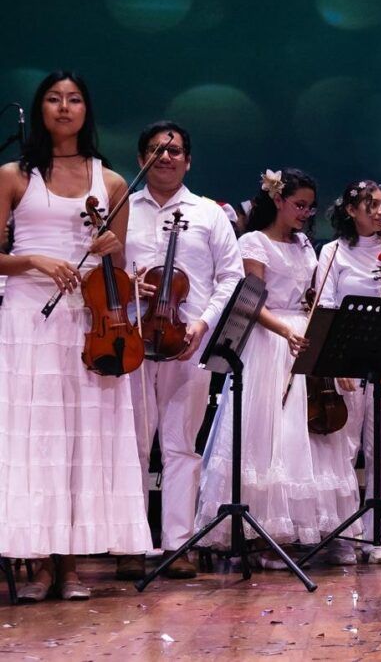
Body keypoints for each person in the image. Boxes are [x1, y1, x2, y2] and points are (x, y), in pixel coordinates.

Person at [0, 71, 151, 601]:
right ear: (41, 108)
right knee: (37, 437)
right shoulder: (13, 176)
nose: (64, 107)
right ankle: (38, 565)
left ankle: (70, 566)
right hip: (28, 318)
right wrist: (33, 260)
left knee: (82, 441)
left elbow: (119, 267)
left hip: (89, 322)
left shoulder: (111, 183)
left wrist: (110, 246)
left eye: (74, 99)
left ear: (86, 110)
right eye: (53, 98)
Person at [195, 168, 357, 564]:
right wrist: (284, 330)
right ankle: (263, 535)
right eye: (299, 205)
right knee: (269, 435)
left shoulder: (304, 245)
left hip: (302, 337)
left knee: (307, 436)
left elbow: (310, 295)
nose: (305, 213)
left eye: (310, 207)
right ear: (278, 200)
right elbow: (253, 300)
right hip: (269, 341)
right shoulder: (254, 242)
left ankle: (306, 532)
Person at [115, 121, 244, 581]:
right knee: (131, 444)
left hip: (188, 343)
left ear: (188, 161)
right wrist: (129, 284)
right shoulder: (124, 209)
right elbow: (105, 270)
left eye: (174, 151)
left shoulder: (208, 213)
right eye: (155, 150)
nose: (165, 157)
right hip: (131, 339)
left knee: (180, 446)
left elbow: (231, 277)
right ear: (141, 159)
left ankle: (177, 544)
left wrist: (202, 324)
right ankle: (129, 543)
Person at [313, 180, 381, 565]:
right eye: (370, 205)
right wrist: (336, 362)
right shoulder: (332, 252)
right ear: (350, 210)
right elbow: (325, 306)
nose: (380, 211)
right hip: (348, 363)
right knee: (344, 449)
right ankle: (344, 534)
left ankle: (379, 535)